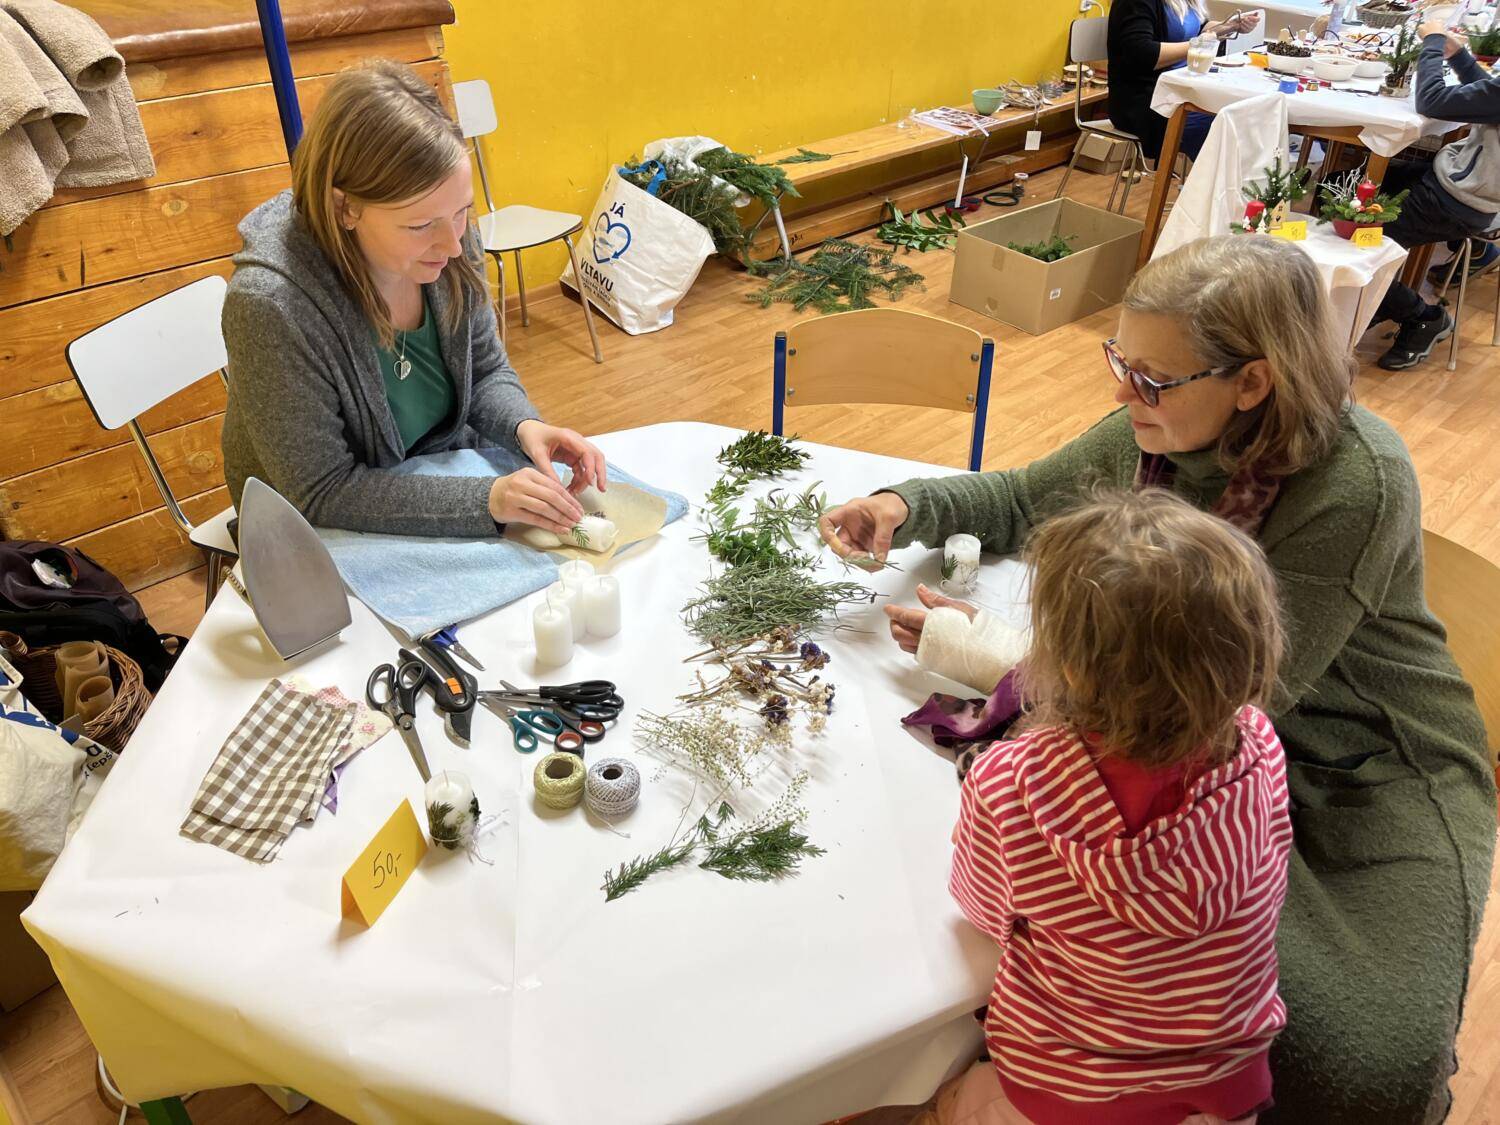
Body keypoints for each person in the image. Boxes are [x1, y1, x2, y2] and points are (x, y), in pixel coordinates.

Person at [821, 236, 1495, 1124]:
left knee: (1361, 1065)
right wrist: (903, 505)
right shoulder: (1161, 428)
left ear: (1251, 382)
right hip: (1216, 733)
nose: (1121, 393)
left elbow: (1228, 698)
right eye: (1120, 362)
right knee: (1158, 970)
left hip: (1368, 758)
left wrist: (986, 650)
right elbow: (1023, 498)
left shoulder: (1356, 483)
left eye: (1150, 378)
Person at [918, 489, 1292, 1125]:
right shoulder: (1259, 748)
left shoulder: (1012, 785)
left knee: (945, 1100)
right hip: (1223, 1087)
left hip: (1068, 1092)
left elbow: (982, 914)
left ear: (1063, 669)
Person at [221, 60, 604, 538]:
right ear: (345, 208)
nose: (453, 245)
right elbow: (320, 491)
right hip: (312, 526)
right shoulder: (271, 306)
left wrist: (525, 427)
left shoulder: (448, 228)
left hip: (434, 470)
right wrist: (487, 500)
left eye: (462, 212)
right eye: (420, 225)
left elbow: (484, 370)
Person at [1370, 20, 1500, 372]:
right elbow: (1489, 97)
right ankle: (1371, 301)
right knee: (1340, 188)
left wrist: (1433, 42)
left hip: (1458, 200)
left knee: (1358, 245)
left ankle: (1423, 318)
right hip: (1460, 184)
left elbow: (1431, 102)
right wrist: (1458, 57)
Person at [1106, 0, 1259, 163]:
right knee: (1224, 124)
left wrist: (1230, 26)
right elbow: (1144, 54)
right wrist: (1198, 44)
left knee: (1241, 116)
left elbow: (1198, 29)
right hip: (1145, 104)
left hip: (1179, 93)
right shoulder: (1134, 3)